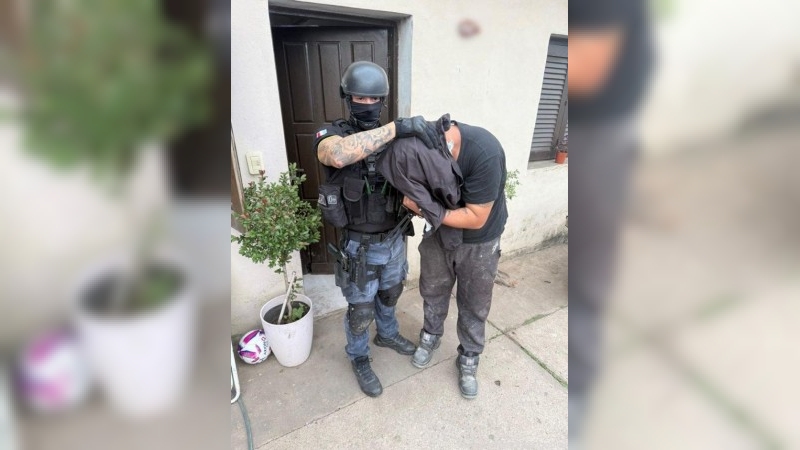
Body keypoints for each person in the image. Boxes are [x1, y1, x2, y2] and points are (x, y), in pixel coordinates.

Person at [313, 60, 438, 398]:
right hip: (358, 246)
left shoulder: (394, 140)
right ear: (347, 97)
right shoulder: (331, 134)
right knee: (360, 310)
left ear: (382, 101)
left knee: (390, 293)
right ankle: (358, 356)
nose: (367, 104)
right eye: (360, 98)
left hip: (394, 238)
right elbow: (337, 156)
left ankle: (387, 334)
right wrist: (398, 127)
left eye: (373, 99)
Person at [569, 0, 653, 444]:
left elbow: (587, 69)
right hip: (599, 135)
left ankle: (578, 399)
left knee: (589, 281)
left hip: (600, 136)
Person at [402, 117, 508, 400]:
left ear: (449, 147)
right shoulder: (423, 149)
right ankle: (431, 335)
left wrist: (426, 210)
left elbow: (475, 217)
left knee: (474, 301)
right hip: (439, 234)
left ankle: (469, 356)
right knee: (433, 288)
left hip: (479, 240)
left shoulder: (485, 153)